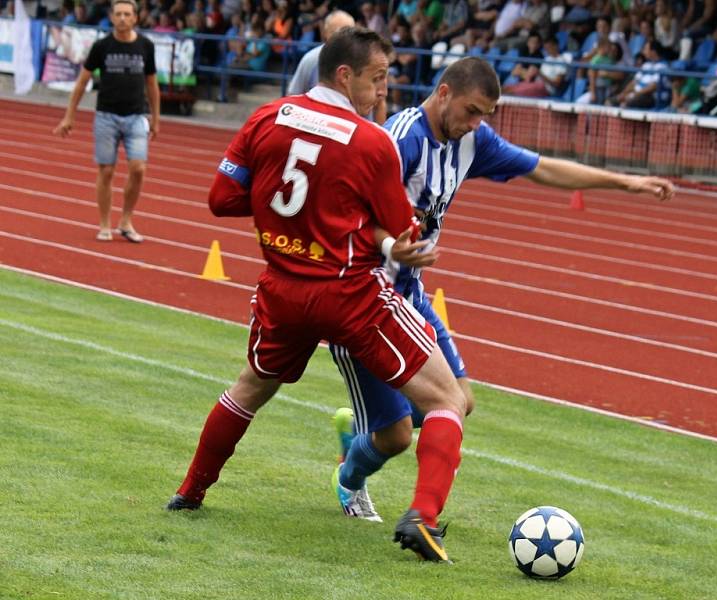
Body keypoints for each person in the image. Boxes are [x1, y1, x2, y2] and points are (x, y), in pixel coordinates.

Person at [328, 56, 674, 526]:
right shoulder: (402, 138)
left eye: (485, 115)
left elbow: (542, 168)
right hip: (366, 296)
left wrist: (626, 182)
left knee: (459, 402)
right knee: (396, 438)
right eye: (472, 111)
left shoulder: (471, 140)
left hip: (410, 291)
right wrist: (390, 243)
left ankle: (372, 428)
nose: (477, 123)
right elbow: (349, 214)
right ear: (444, 93)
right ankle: (350, 476)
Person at [166, 26, 467, 564]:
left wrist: (289, 216)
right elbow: (402, 233)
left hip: (282, 288)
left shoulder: (267, 116)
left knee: (250, 387)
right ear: (345, 75)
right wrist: (396, 241)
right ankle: (423, 517)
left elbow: (221, 197)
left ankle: (190, 490)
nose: (382, 94)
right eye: (377, 80)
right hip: (349, 294)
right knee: (448, 399)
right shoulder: (372, 140)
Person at [53, 0, 159, 243]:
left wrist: (156, 118)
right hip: (106, 117)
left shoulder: (145, 46)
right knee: (106, 170)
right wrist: (70, 115)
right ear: (111, 17)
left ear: (135, 18)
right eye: (118, 14)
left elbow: (152, 84)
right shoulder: (102, 47)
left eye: (127, 14)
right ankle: (104, 223)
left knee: (139, 168)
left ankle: (126, 220)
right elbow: (82, 82)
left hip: (136, 116)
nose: (122, 18)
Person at [287, 10, 354, 94]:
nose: (341, 38)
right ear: (325, 33)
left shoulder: (363, 60)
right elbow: (294, 94)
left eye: (347, 32)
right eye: (335, 32)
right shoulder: (311, 59)